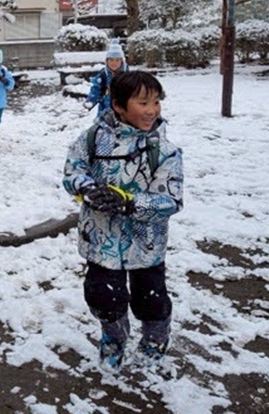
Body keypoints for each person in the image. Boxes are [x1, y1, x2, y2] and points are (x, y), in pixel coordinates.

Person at [62, 71, 184, 370]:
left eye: (156, 102)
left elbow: (171, 200)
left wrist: (129, 202)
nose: (152, 110)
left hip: (146, 244)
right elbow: (73, 170)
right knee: (103, 298)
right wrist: (87, 188)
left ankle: (155, 338)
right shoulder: (93, 139)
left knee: (151, 300)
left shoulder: (163, 151)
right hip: (101, 240)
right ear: (118, 105)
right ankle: (114, 338)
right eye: (143, 103)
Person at [85, 39, 129, 117]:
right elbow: (96, 89)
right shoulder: (103, 74)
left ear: (122, 61)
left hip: (123, 109)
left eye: (117, 60)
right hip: (105, 109)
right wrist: (91, 101)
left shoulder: (127, 75)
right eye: (111, 60)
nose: (114, 63)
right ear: (106, 61)